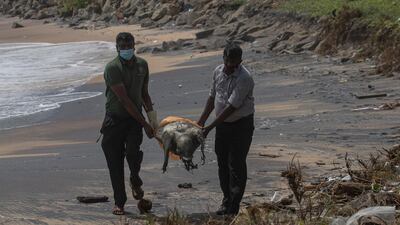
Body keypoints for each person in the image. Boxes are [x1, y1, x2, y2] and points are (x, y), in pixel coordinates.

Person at [100, 32, 158, 215]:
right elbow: (125, 101)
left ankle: (134, 177)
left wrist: (153, 120)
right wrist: (145, 124)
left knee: (133, 153)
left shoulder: (142, 65)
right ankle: (120, 202)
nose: (126, 49)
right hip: (115, 119)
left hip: (135, 120)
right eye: (122, 47)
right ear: (117, 48)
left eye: (129, 46)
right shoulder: (113, 68)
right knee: (114, 163)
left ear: (134, 46)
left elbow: (145, 94)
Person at [197, 44, 255, 216]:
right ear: (223, 59)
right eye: (228, 63)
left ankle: (234, 206)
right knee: (222, 162)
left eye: (235, 65)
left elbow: (231, 107)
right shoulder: (218, 71)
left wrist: (209, 127)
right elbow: (212, 96)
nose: (231, 68)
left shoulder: (245, 78)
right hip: (222, 125)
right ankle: (226, 200)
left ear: (240, 62)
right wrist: (201, 121)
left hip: (241, 125)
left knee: (236, 164)